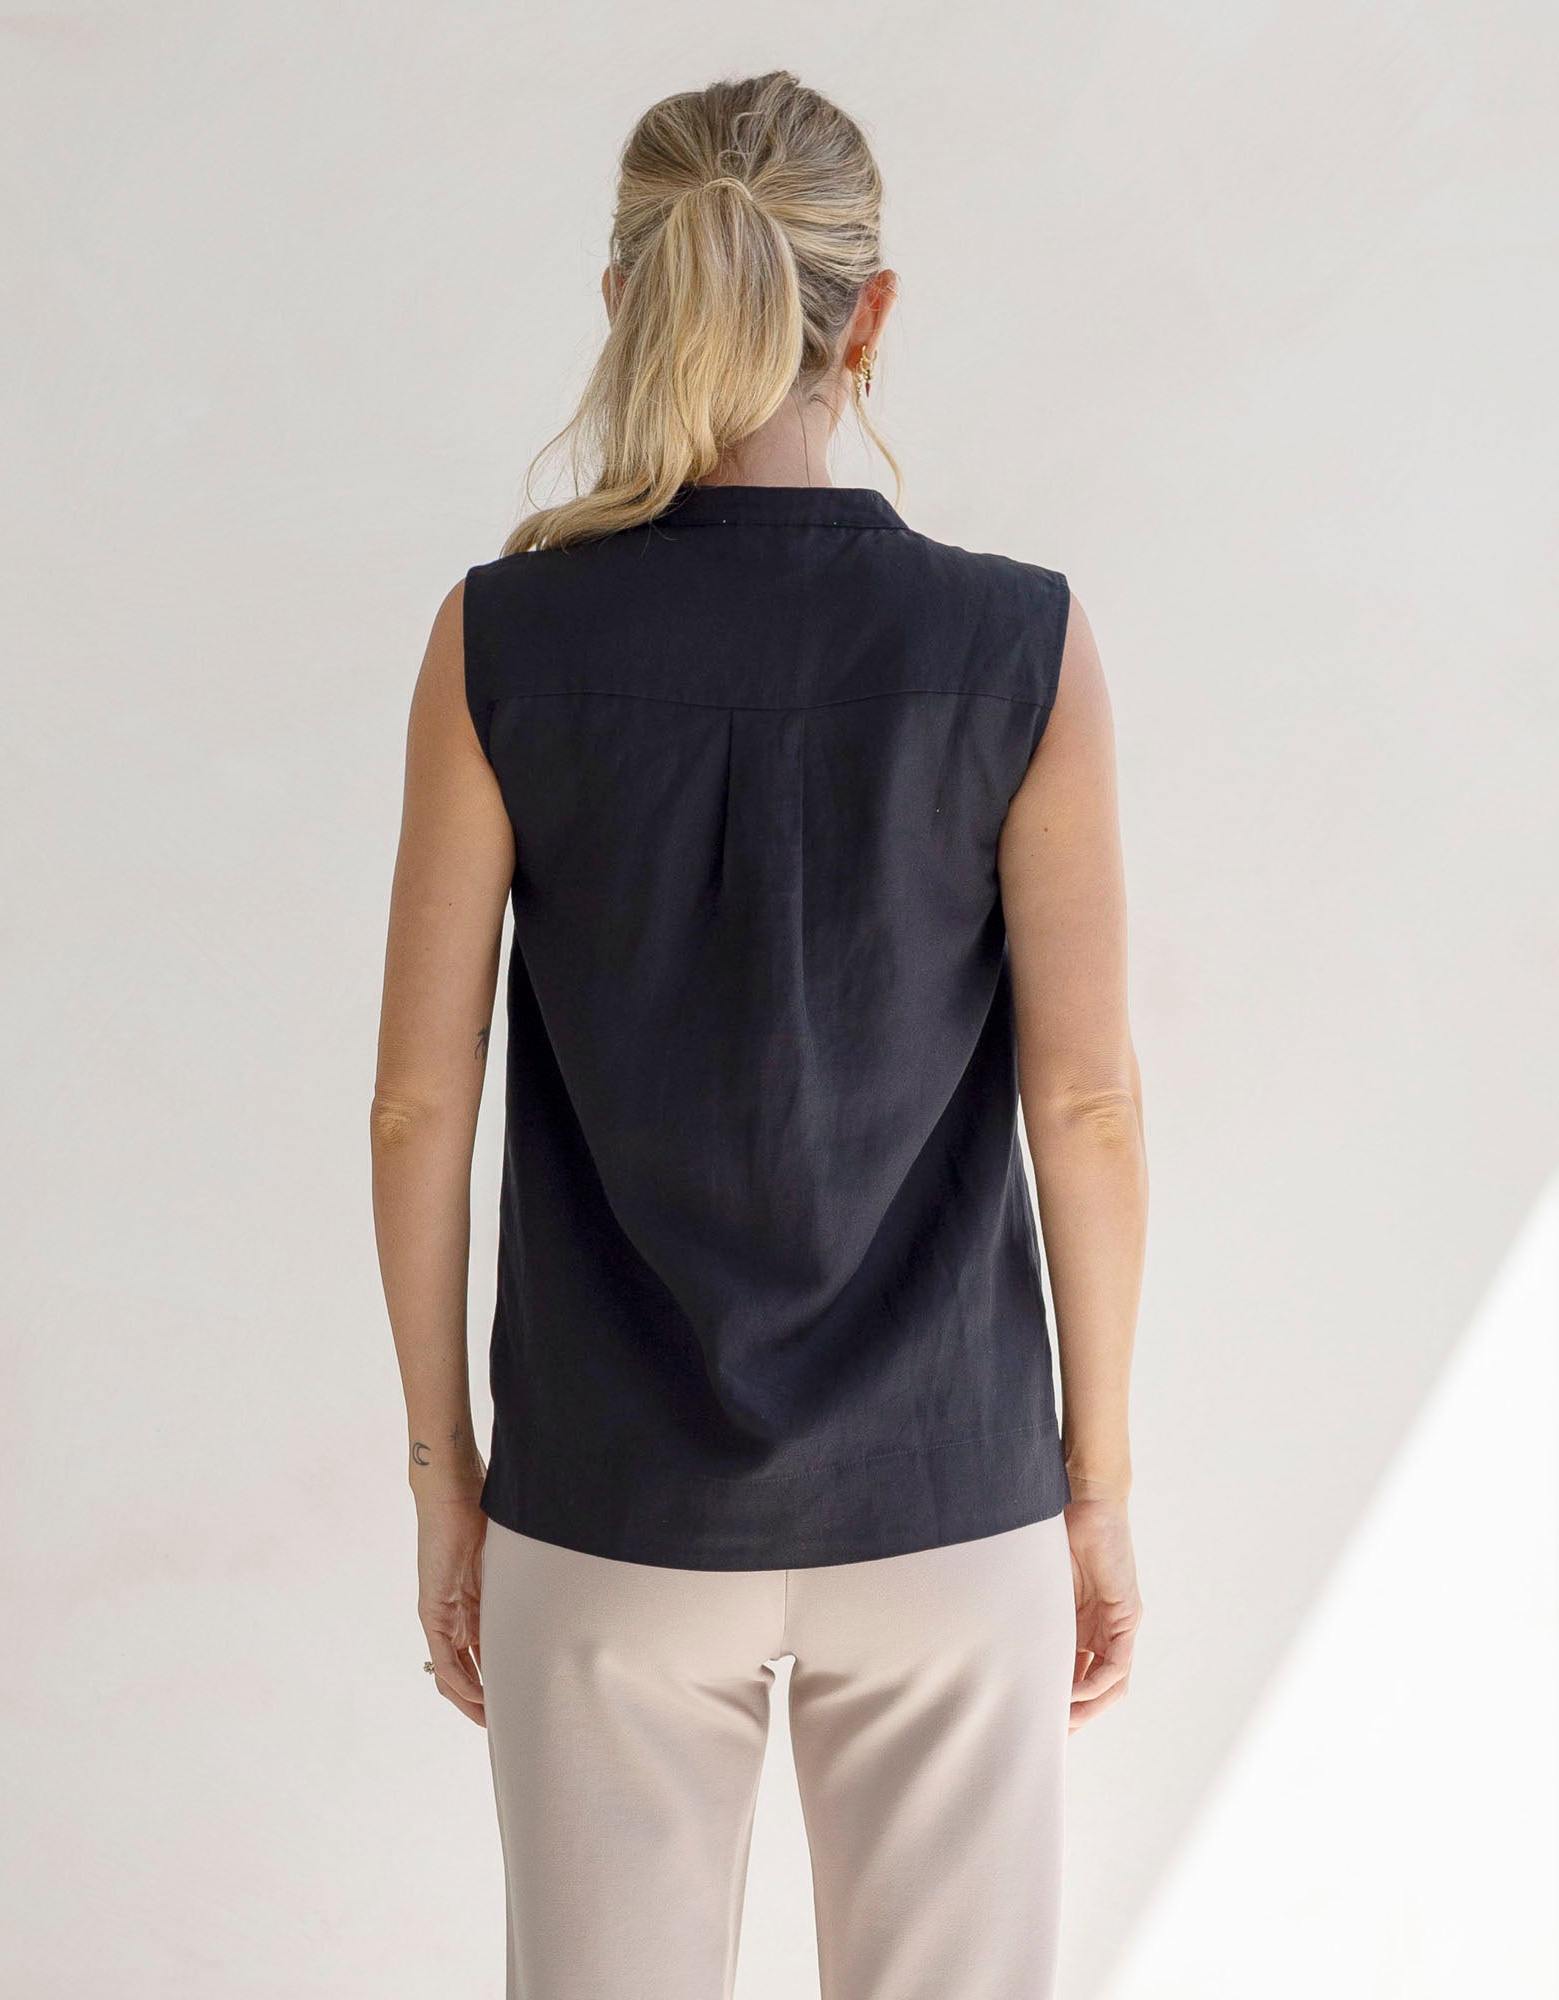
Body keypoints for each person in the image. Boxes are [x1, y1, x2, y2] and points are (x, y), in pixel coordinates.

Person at [371, 67, 1145, 2000]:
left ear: (622, 300)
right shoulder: (1019, 646)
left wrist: (446, 1479)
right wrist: (1097, 1486)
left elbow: (414, 1111)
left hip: (607, 1503)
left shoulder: (501, 640)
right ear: (868, 317)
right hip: (946, 1485)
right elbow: (1086, 1103)